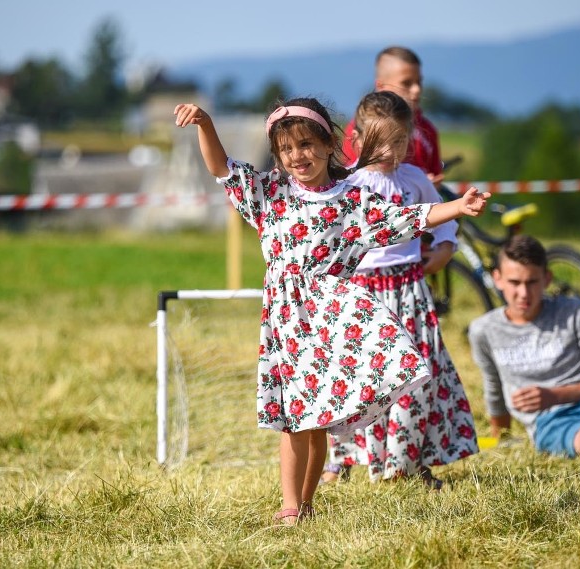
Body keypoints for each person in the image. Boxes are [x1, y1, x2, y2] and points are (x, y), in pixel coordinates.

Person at [173, 98, 490, 525]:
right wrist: (206, 124)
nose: (296, 156)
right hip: (285, 322)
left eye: (305, 145)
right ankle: (292, 505)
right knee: (294, 421)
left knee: (316, 418)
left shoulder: (351, 201)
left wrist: (458, 207)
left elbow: (407, 219)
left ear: (328, 145)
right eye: (286, 150)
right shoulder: (271, 193)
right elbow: (222, 168)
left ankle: (304, 503)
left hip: (330, 319)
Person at [324, 91, 478, 489]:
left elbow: (442, 219)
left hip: (410, 290)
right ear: (356, 139)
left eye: (401, 141)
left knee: (418, 376)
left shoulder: (416, 180)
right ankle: (356, 460)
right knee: (367, 378)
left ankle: (405, 465)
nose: (392, 151)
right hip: (363, 295)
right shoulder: (347, 186)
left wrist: (445, 248)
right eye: (382, 141)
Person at [468, 234, 580, 458]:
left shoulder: (574, 311)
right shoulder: (483, 330)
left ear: (547, 279)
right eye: (515, 282)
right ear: (498, 279)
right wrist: (499, 436)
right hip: (550, 418)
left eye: (532, 282)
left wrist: (554, 395)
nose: (523, 293)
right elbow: (494, 387)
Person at [342, 46, 443, 185]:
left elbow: (435, 175)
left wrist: (429, 186)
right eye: (406, 83)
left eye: (419, 82)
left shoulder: (428, 129)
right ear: (381, 85)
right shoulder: (361, 129)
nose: (417, 89)